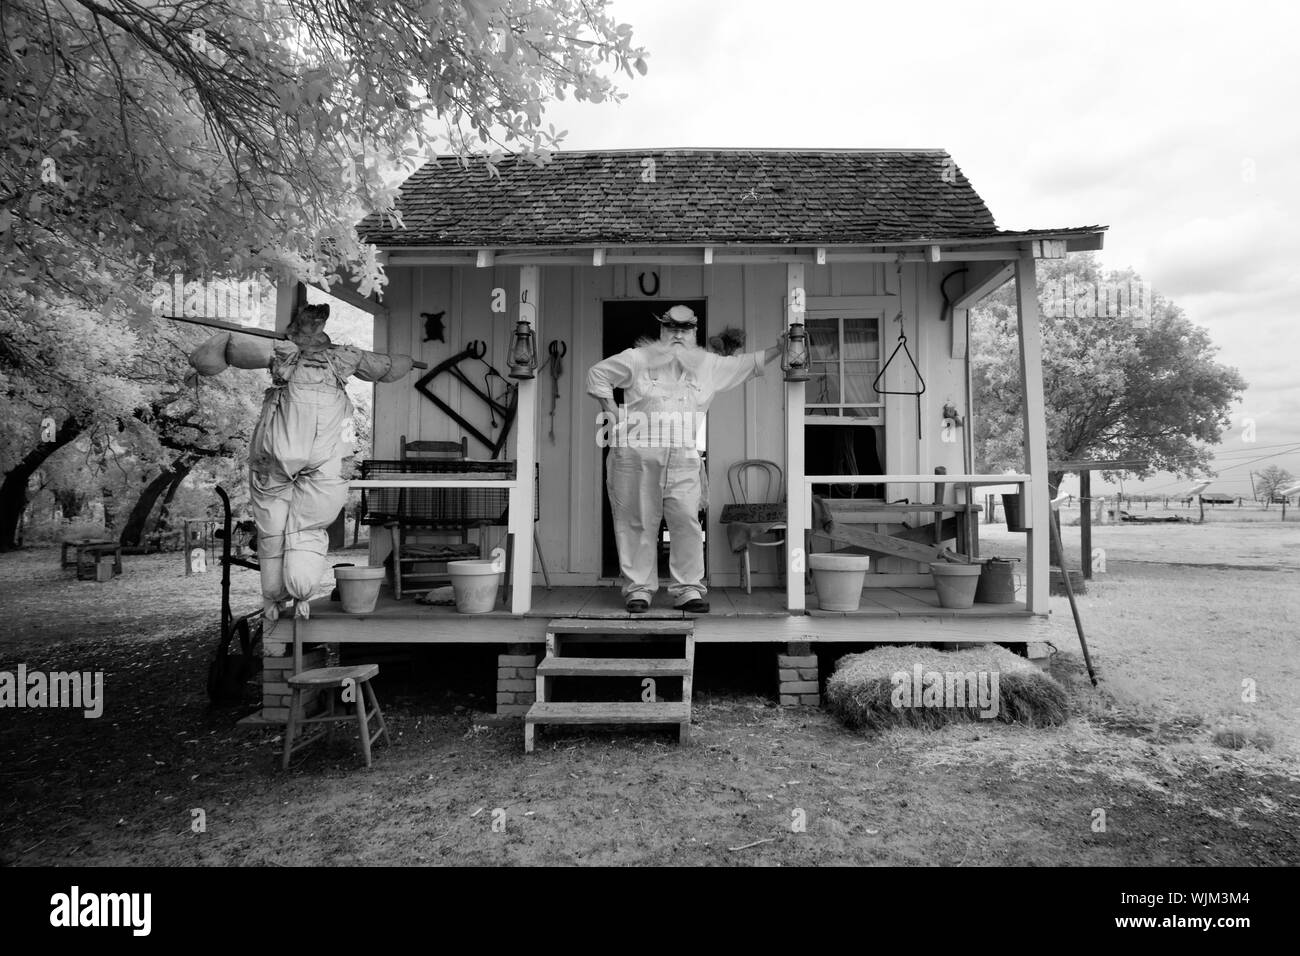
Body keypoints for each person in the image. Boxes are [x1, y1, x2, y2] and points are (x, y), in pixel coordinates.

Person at [188, 303, 416, 620]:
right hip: (319, 452)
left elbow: (225, 351)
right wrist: (408, 362)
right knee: (301, 527)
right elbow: (388, 367)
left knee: (277, 527)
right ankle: (294, 593)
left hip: (288, 450)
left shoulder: (286, 353)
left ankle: (282, 596)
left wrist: (211, 353)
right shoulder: (338, 357)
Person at [587, 304, 783, 613]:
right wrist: (608, 408)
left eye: (685, 330)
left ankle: (688, 590)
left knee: (687, 522)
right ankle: (638, 590)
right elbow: (598, 373)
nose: (678, 336)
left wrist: (780, 349)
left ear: (693, 333)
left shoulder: (708, 365)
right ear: (662, 331)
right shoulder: (637, 359)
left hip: (683, 455)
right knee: (636, 522)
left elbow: (748, 363)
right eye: (672, 330)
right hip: (637, 454)